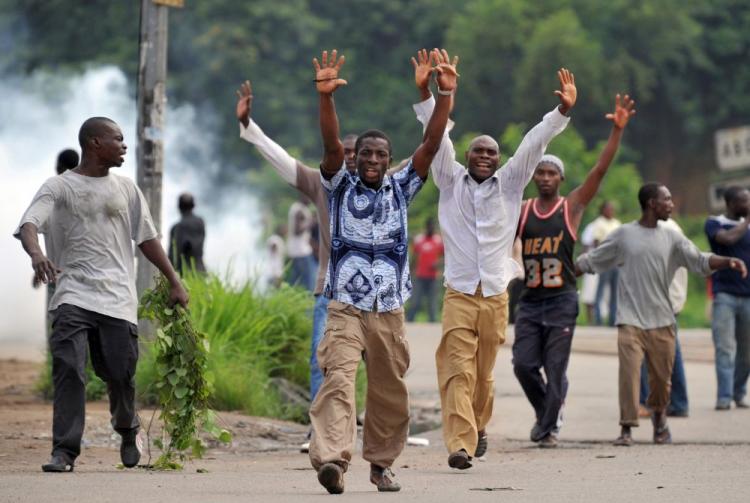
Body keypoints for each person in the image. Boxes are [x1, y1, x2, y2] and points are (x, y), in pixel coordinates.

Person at [413, 56, 575, 468]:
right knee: (457, 371)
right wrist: (432, 95)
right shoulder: (449, 181)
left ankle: (478, 424)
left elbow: (534, 143)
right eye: (478, 150)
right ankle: (460, 445)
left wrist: (561, 112)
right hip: (460, 294)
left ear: (499, 159)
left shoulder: (510, 184)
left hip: (497, 296)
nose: (485, 155)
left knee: (483, 374)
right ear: (467, 157)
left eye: (492, 152)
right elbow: (436, 140)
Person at [309, 48, 457, 494]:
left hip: (389, 308)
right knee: (338, 379)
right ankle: (333, 460)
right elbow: (332, 145)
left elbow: (430, 144)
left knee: (389, 392)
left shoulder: (401, 186)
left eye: (380, 154)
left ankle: (381, 464)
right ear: (357, 160)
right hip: (346, 308)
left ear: (388, 159)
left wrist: (443, 95)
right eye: (366, 154)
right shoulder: (339, 185)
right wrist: (326, 98)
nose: (372, 160)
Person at [14, 117, 188, 473]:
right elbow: (30, 224)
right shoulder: (58, 187)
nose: (124, 146)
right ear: (95, 143)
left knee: (120, 375)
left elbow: (147, 239)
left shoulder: (126, 189)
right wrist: (36, 254)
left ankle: (127, 429)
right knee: (69, 369)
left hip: (117, 300)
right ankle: (64, 451)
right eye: (118, 139)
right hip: (71, 295)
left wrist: (174, 279)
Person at [235, 79, 358, 449]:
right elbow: (282, 160)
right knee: (321, 360)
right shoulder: (322, 184)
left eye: (359, 151)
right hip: (330, 289)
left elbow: (426, 156)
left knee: (383, 369)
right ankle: (319, 431)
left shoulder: (385, 186)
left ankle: (373, 433)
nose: (352, 157)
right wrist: (249, 128)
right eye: (346, 151)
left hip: (377, 297)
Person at [576, 183, 746, 446]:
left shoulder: (672, 237)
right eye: (666, 200)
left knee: (661, 381)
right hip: (630, 320)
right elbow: (593, 259)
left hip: (663, 320)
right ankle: (626, 429)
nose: (671, 204)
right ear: (652, 204)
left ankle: (660, 421)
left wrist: (727, 262)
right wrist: (563, 274)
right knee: (629, 376)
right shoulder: (624, 235)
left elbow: (699, 260)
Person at [513, 94, 636, 448]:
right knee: (523, 365)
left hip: (563, 300)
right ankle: (547, 413)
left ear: (561, 178)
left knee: (555, 371)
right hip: (532, 301)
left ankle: (547, 428)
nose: (546, 177)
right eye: (541, 172)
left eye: (553, 173)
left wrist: (616, 131)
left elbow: (599, 171)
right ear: (534, 176)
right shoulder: (522, 210)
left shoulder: (572, 208)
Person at [639, 218, 690, 418]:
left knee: (648, 350)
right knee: (668, 352)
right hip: (666, 299)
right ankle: (676, 402)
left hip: (661, 301)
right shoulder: (669, 228)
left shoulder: (664, 231)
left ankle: (651, 402)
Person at [705, 186, 750, 410]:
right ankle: (724, 397)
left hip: (748, 297)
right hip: (724, 295)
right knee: (724, 348)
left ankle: (738, 392)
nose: (748, 204)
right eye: (744, 201)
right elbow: (729, 240)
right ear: (731, 204)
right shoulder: (715, 223)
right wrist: (748, 221)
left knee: (747, 352)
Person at [589, 201, 621, 325]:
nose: (610, 211)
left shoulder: (617, 223)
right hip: (605, 262)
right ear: (603, 210)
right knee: (601, 291)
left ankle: (613, 320)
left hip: (616, 261)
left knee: (615, 292)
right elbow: (596, 242)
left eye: (612, 209)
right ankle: (598, 319)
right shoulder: (599, 223)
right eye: (608, 209)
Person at [407, 218, 443, 322]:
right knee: (415, 300)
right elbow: (414, 256)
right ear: (426, 227)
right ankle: (409, 321)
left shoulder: (438, 240)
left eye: (433, 227)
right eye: (429, 227)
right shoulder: (419, 239)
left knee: (432, 301)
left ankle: (432, 323)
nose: (431, 229)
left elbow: (445, 256)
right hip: (419, 275)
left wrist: (438, 263)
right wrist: (411, 271)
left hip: (433, 276)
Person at [168, 193, 206, 274]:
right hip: (200, 271)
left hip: (184, 275)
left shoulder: (177, 228)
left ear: (179, 207)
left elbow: (173, 255)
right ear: (193, 206)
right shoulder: (200, 223)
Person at [287, 195, 317, 291]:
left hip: (296, 251)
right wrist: (311, 222)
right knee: (309, 284)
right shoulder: (299, 210)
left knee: (295, 283)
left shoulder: (297, 208)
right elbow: (297, 231)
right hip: (302, 252)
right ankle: (308, 305)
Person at [578, 221, 599, 323]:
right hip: (592, 265)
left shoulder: (615, 224)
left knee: (603, 295)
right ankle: (590, 321)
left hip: (607, 266)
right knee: (589, 294)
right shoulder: (592, 227)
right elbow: (585, 247)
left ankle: (601, 321)